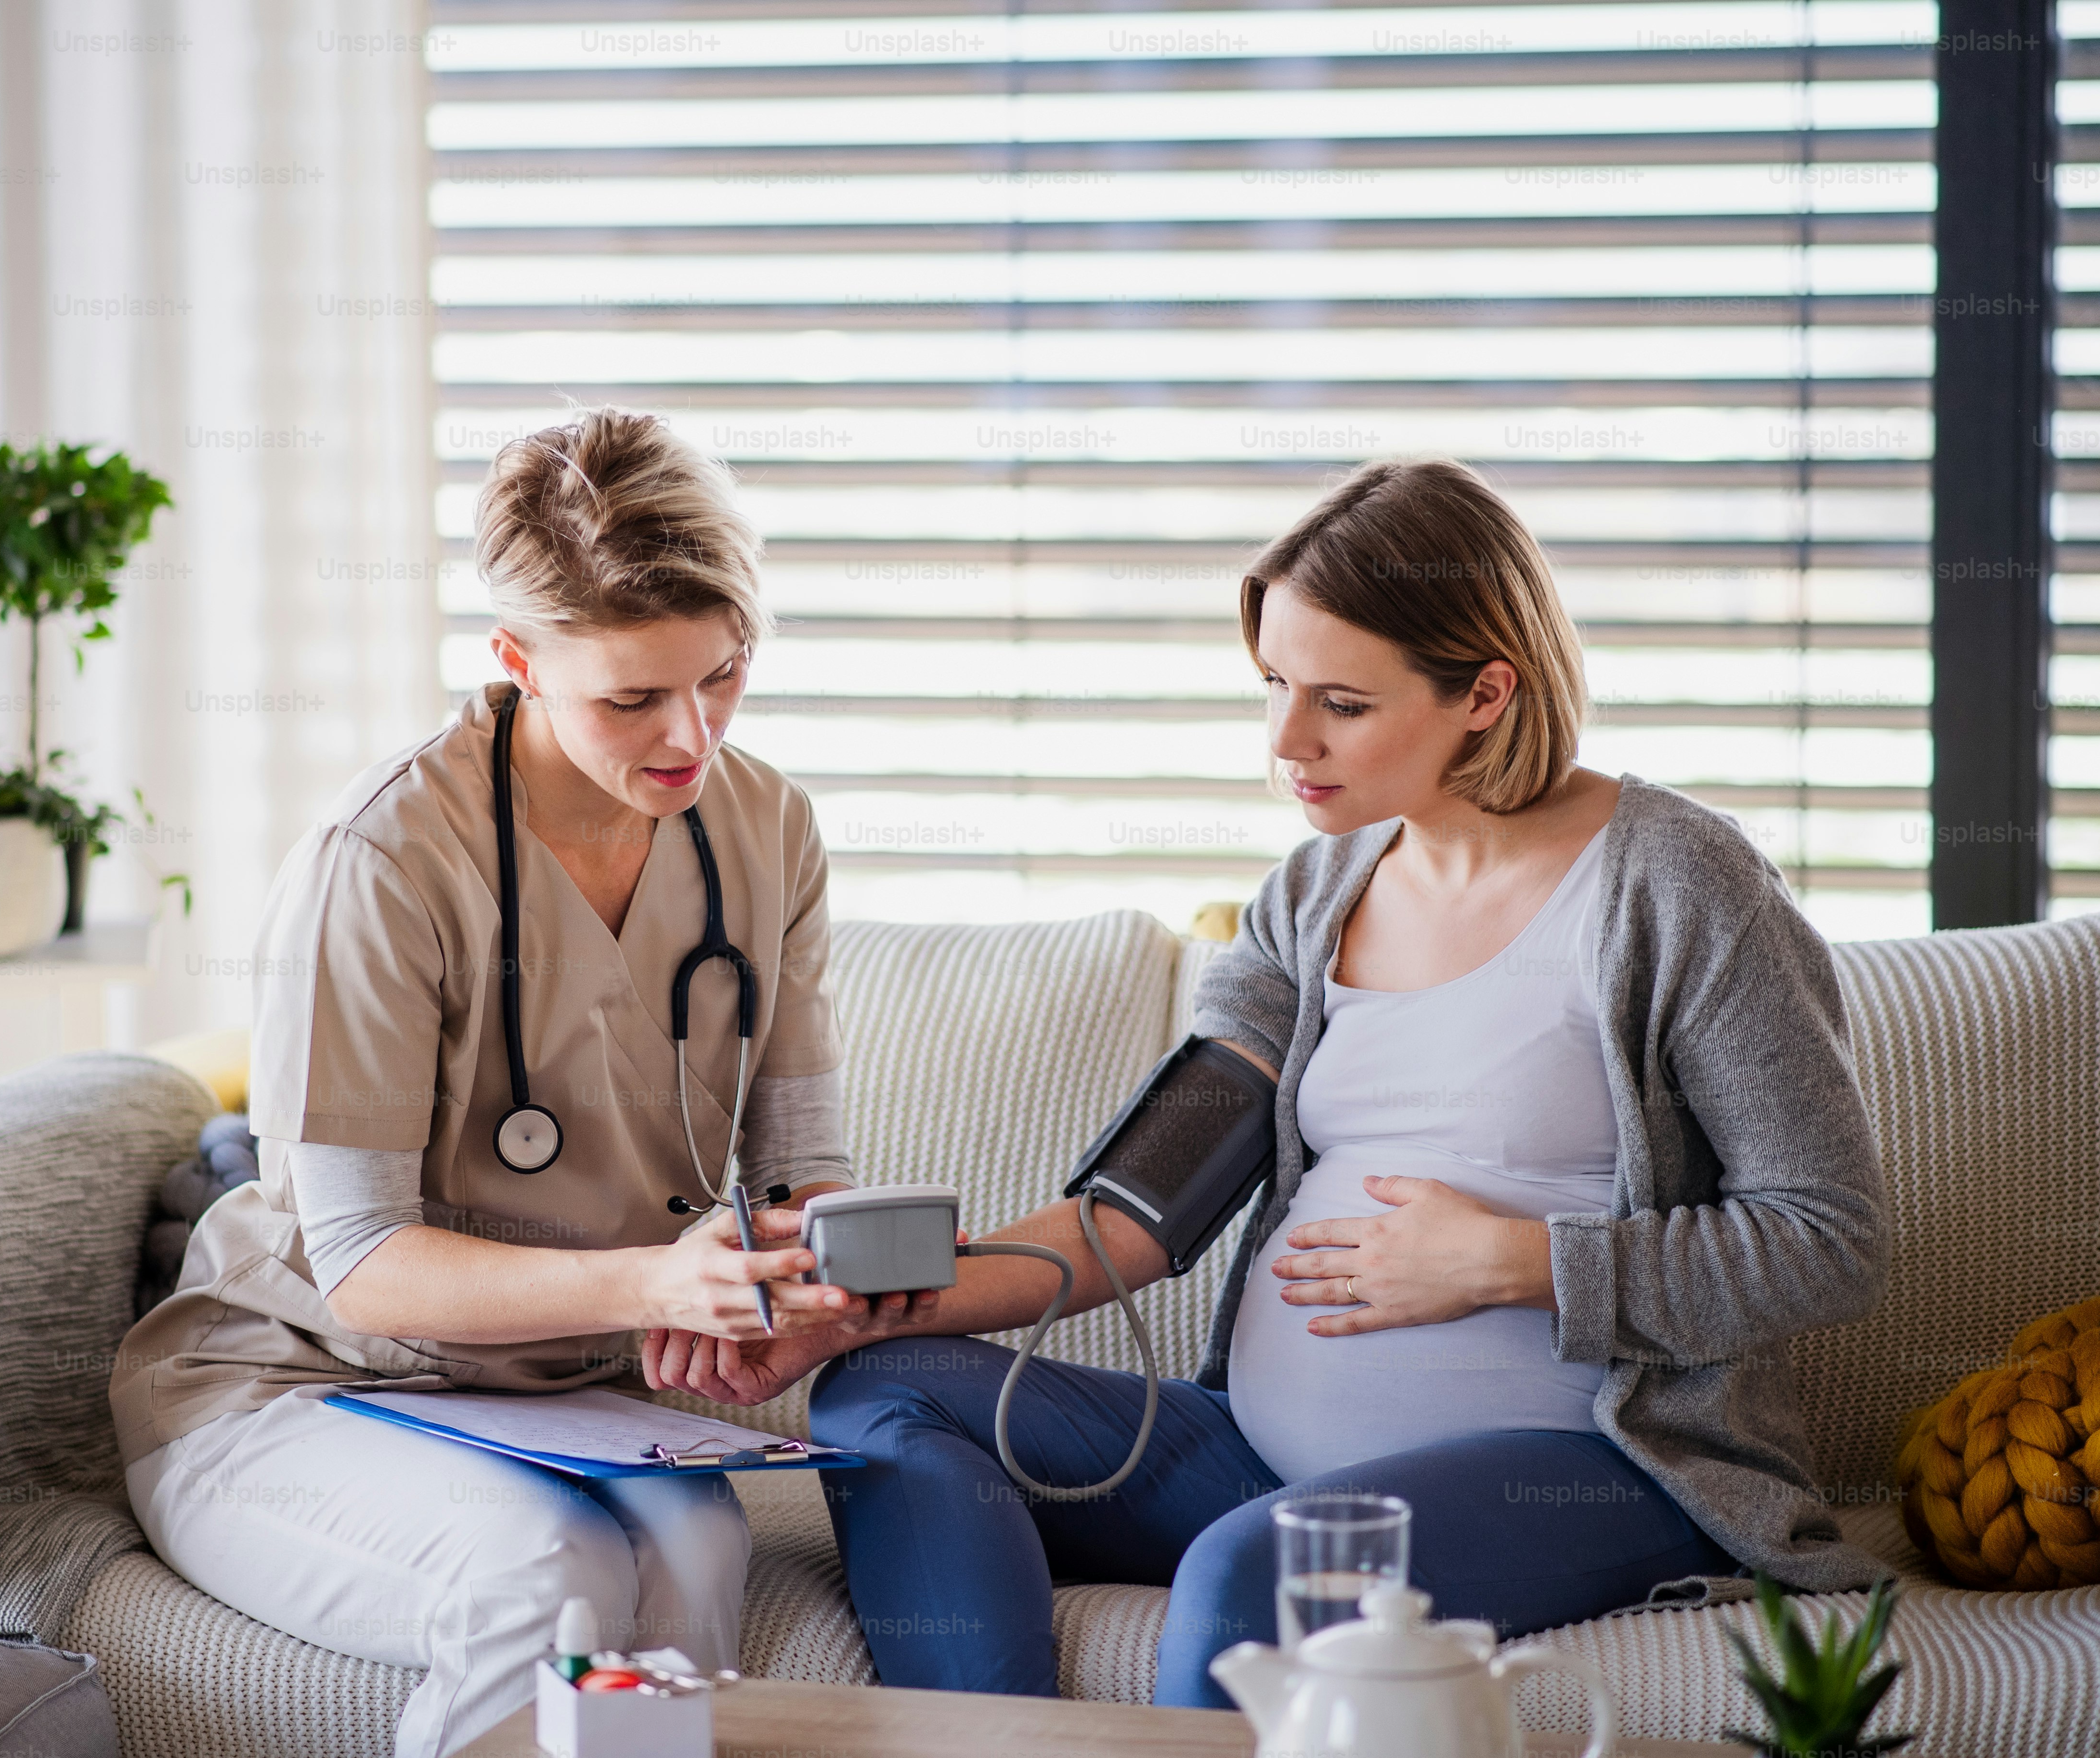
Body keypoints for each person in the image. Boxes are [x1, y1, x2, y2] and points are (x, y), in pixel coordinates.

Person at [648, 458, 1893, 1703]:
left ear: (1485, 692)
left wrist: (1509, 1261)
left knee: (1255, 1578)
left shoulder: (1679, 886)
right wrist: (860, 1302)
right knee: (881, 1388)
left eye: (1340, 703)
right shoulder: (1310, 899)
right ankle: (999, 1741)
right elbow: (1138, 1212)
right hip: (1262, 1453)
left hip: (1592, 1466)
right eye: (1275, 688)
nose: (1286, 743)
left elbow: (1828, 1236)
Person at [109, 408, 921, 1758]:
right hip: (292, 1380)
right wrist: (656, 1278)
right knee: (540, 1571)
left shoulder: (766, 827)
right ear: (515, 662)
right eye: (632, 698)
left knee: (695, 1549)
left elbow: (793, 1171)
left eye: (722, 676)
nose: (691, 737)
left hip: (561, 1405)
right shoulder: (384, 862)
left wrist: (802, 1273)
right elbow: (359, 1260)